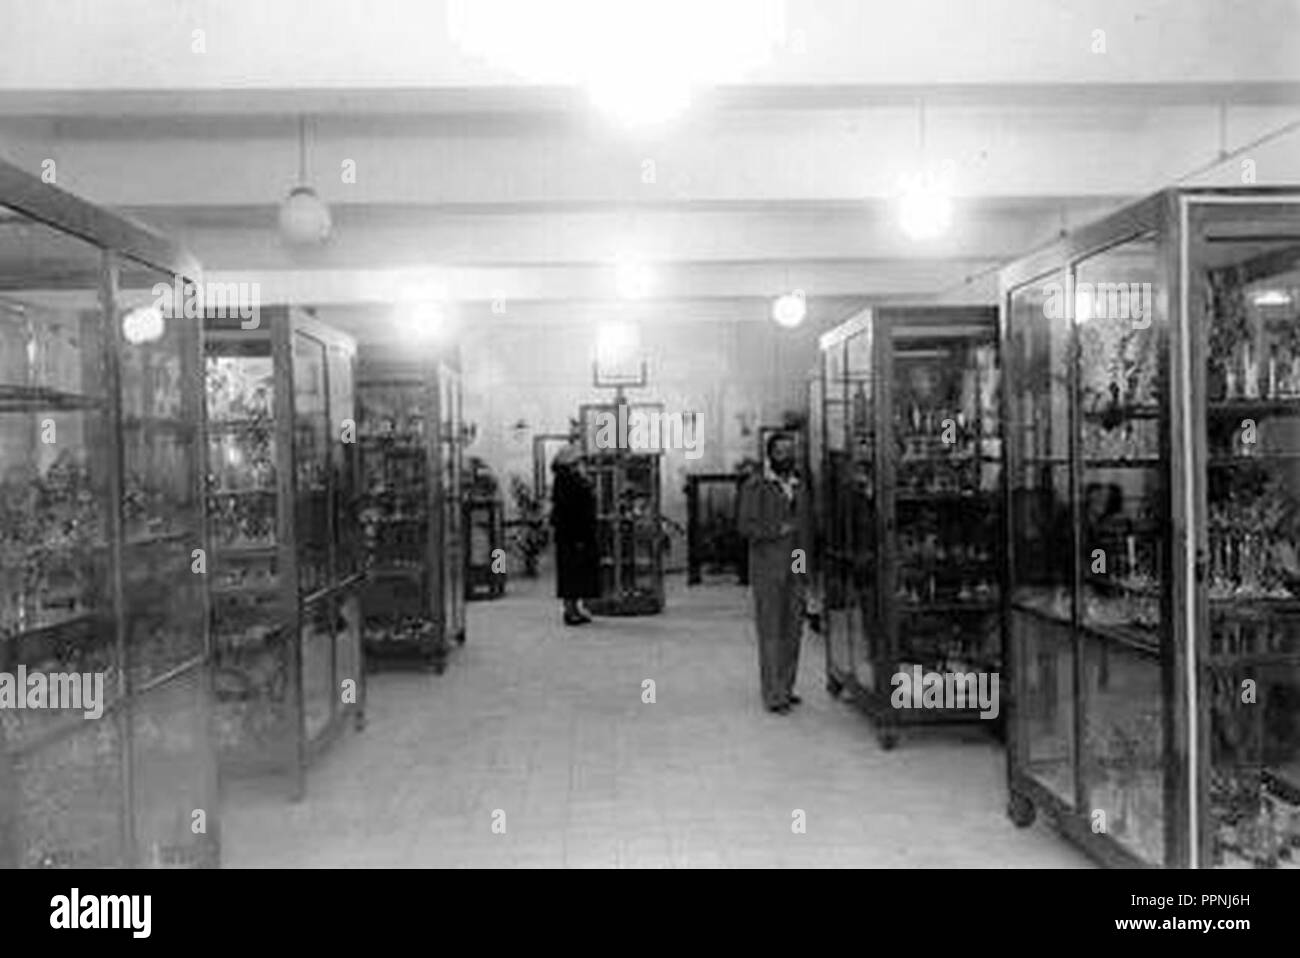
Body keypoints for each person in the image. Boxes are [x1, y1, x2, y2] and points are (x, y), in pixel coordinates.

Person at [737, 432, 811, 714]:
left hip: (796, 564)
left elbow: (805, 530)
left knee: (794, 628)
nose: (787, 457)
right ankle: (773, 693)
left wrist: (804, 572)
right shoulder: (756, 486)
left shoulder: (800, 485)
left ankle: (787, 687)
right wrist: (773, 531)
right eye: (781, 452)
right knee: (771, 631)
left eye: (791, 451)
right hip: (768, 569)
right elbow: (745, 527)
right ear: (770, 455)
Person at [550, 440, 599, 626]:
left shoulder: (569, 478)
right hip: (572, 535)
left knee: (578, 574)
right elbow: (571, 511)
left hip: (576, 534)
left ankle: (575, 608)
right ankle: (570, 610)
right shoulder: (567, 481)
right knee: (571, 574)